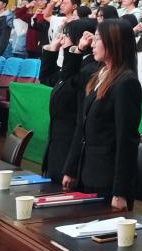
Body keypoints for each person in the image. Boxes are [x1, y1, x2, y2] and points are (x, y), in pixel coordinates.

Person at [62, 19, 141, 210]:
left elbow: (126, 140)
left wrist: (120, 191)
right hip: (86, 171)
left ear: (114, 43)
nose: (93, 44)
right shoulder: (99, 74)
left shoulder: (126, 82)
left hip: (106, 180)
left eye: (98, 39)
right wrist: (71, 169)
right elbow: (81, 127)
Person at [40, 18, 99, 181]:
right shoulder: (75, 64)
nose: (62, 39)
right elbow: (47, 78)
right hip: (58, 137)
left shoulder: (89, 67)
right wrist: (52, 50)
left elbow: (67, 80)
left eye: (67, 35)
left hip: (71, 139)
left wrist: (76, 50)